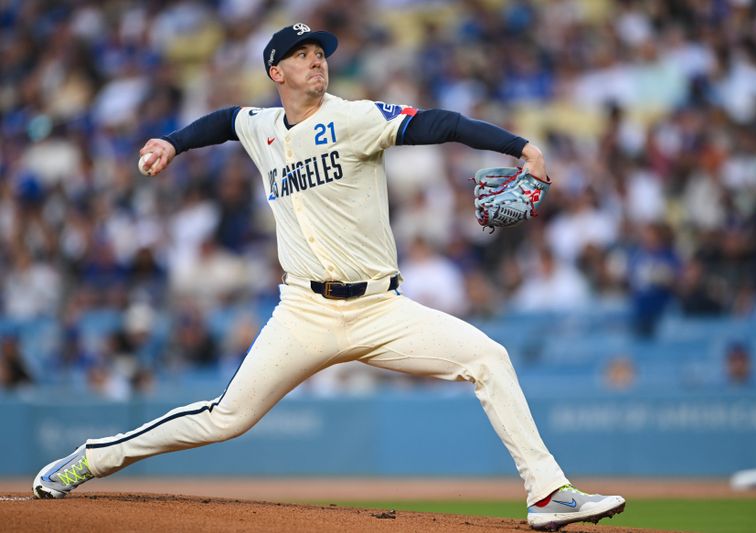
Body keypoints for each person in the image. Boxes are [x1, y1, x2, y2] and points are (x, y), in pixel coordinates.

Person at [32, 23, 625, 531]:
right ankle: (92, 459)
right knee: (225, 418)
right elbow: (223, 121)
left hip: (380, 310)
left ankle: (547, 493)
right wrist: (174, 143)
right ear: (276, 72)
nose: (316, 60)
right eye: (302, 54)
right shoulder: (261, 128)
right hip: (304, 313)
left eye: (320, 53)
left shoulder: (356, 118)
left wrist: (519, 147)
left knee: (488, 356)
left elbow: (440, 123)